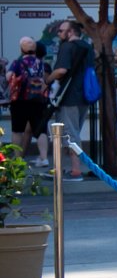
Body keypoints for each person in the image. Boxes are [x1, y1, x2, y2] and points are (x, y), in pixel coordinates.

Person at [47, 19, 94, 180]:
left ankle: (75, 171)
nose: (59, 33)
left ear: (71, 32)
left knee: (69, 134)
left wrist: (47, 80)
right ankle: (64, 169)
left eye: (61, 31)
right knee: (74, 132)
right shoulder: (87, 47)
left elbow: (61, 70)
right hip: (84, 96)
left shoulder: (67, 47)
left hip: (68, 96)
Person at [7, 37, 51, 165]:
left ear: (22, 49)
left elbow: (9, 77)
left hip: (20, 101)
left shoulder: (17, 63)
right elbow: (44, 80)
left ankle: (18, 158)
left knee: (17, 130)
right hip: (38, 100)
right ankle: (44, 158)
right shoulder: (41, 63)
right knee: (41, 130)